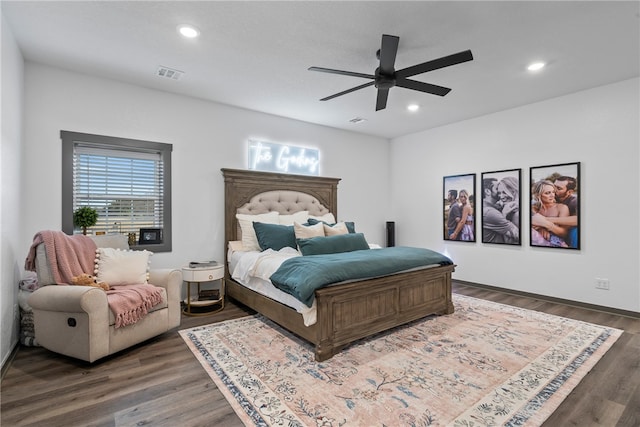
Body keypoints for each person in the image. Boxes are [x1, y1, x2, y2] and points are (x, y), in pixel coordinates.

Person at [530, 179, 570, 247]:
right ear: (538, 195)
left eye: (553, 192)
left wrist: (546, 225)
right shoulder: (533, 208)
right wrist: (540, 229)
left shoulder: (562, 208)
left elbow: (564, 233)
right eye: (547, 193)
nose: (552, 195)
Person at [482, 178, 519, 244]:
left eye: (504, 191)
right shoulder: (490, 212)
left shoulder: (492, 207)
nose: (501, 196)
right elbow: (518, 235)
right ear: (487, 191)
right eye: (497, 190)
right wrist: (504, 214)